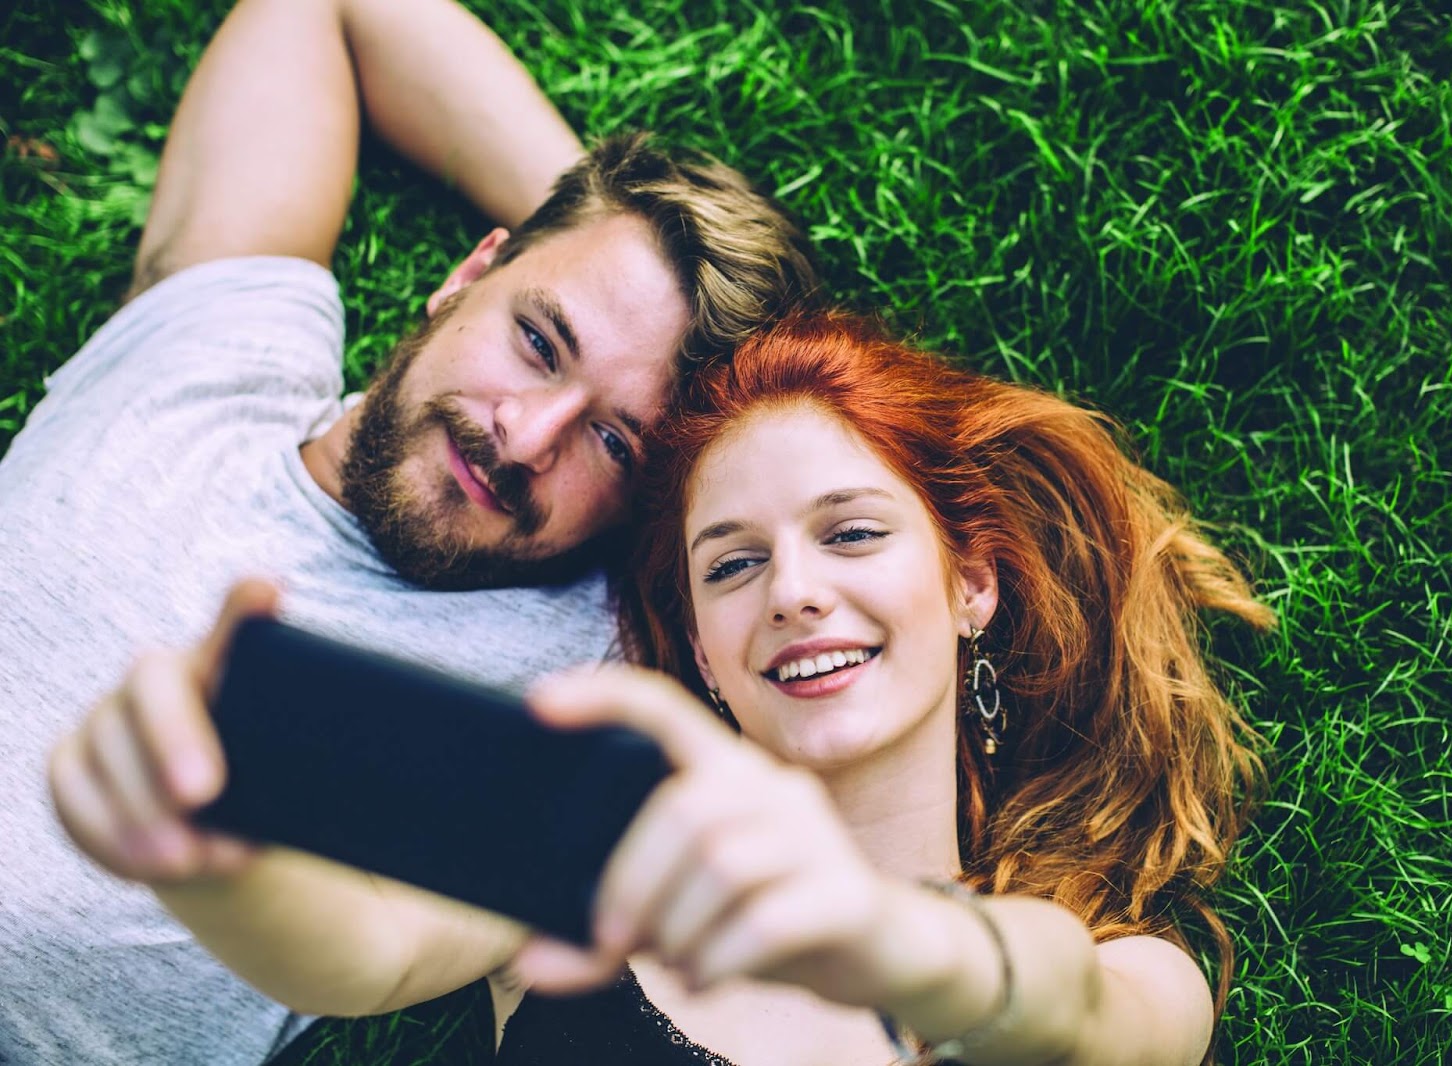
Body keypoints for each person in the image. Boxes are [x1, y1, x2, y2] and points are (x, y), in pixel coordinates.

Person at [53, 311, 1274, 1065]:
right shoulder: (606, 867)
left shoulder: (1132, 972)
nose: (791, 590)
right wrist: (204, 855)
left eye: (849, 535)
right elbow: (359, 955)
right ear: (697, 647)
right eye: (732, 562)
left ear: (971, 586)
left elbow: (1065, 1013)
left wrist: (884, 936)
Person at [0, 0, 817, 1058]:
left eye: (616, 443)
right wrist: (612, 229)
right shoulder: (220, 340)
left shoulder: (583, 673)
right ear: (465, 278)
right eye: (537, 338)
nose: (527, 439)